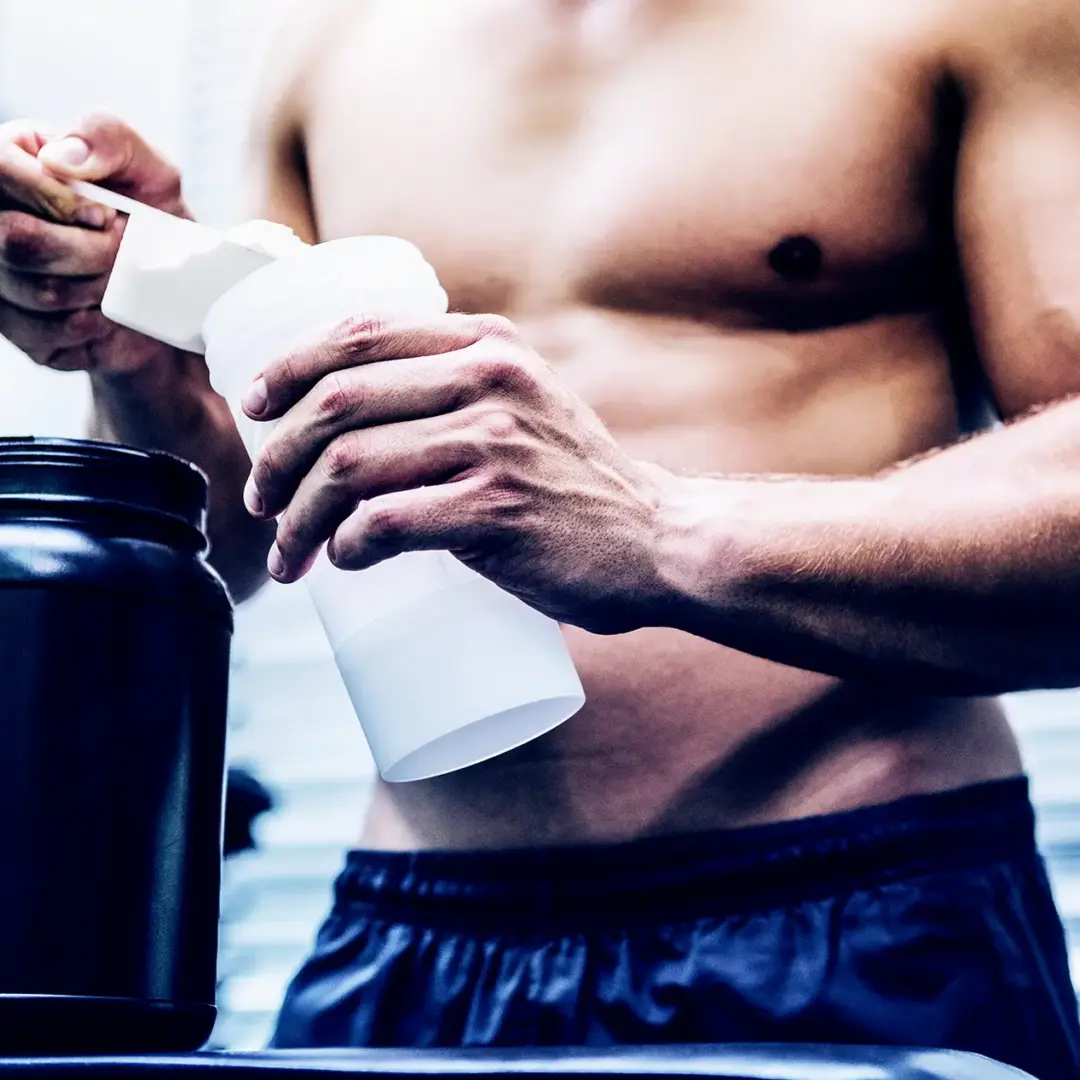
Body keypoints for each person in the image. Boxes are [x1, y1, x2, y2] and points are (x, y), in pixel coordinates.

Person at [2, 0, 1080, 1073]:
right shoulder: (334, 44)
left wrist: (659, 531)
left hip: (847, 902)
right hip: (414, 938)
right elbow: (248, 535)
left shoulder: (973, 15)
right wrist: (148, 367)